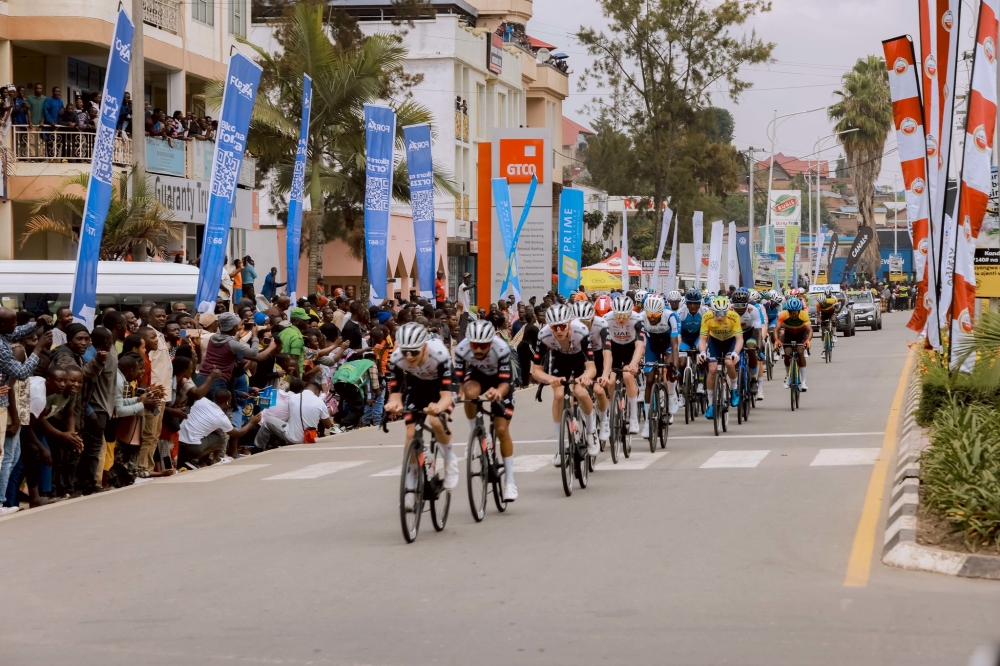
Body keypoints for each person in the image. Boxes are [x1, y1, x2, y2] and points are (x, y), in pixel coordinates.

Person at [384, 322, 458, 502]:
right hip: (417, 386)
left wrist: (438, 407)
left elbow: (446, 396)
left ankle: (450, 461)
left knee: (436, 422)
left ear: (424, 347)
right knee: (410, 434)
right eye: (405, 352)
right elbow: (395, 393)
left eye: (415, 352)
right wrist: (393, 404)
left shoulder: (439, 354)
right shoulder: (396, 358)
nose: (409, 357)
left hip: (441, 386)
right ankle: (411, 481)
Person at [455, 319, 518, 501]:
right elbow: (459, 380)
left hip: (500, 380)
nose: (479, 349)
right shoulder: (462, 349)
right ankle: (476, 433)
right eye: (475, 345)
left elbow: (506, 382)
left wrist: (498, 392)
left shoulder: (501, 348)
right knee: (469, 393)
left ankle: (510, 483)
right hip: (477, 375)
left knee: (501, 429)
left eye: (484, 345)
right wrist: (456, 395)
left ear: (491, 341)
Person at [531, 303, 598, 465]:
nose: (559, 330)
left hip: (578, 360)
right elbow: (536, 371)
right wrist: (549, 379)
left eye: (562, 326)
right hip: (559, 360)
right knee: (559, 394)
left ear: (569, 323)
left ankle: (591, 432)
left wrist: (586, 378)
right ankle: (561, 446)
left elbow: (591, 367)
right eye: (555, 327)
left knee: (581, 392)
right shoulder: (543, 335)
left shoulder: (581, 331)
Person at [197, 312, 277, 394]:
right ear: (234, 327)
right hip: (216, 381)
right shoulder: (231, 344)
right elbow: (255, 355)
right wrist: (256, 337)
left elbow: (229, 343)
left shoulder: (213, 338)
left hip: (201, 378)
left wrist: (238, 334)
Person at [178, 390, 261, 467]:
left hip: (178, 439)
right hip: (191, 447)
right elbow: (237, 434)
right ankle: (196, 459)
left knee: (215, 433)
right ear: (227, 402)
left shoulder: (202, 400)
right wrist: (251, 423)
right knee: (219, 439)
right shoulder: (221, 417)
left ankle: (202, 460)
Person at [639, 294, 680, 436]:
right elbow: (640, 343)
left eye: (656, 314)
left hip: (668, 343)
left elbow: (675, 345)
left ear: (662, 311)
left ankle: (672, 393)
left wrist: (675, 364)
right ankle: (648, 422)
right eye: (649, 314)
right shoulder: (641, 317)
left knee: (669, 366)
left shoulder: (671, 317)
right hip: (652, 345)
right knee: (649, 378)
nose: (652, 317)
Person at [604, 295, 645, 434]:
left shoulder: (637, 318)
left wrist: (634, 363)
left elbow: (640, 344)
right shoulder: (607, 319)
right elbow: (605, 348)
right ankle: (611, 411)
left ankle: (633, 417)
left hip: (630, 348)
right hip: (614, 348)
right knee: (610, 380)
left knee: (628, 376)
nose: (621, 319)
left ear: (630, 312)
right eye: (618, 315)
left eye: (625, 316)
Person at [697, 296, 744, 419]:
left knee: (729, 363)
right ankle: (711, 405)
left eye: (723, 313)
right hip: (715, 342)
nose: (719, 316)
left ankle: (734, 389)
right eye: (717, 313)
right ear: (712, 311)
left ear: (727, 311)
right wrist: (702, 352)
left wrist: (735, 352)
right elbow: (702, 339)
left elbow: (739, 339)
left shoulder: (734, 317)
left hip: (730, 341)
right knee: (712, 369)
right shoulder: (706, 317)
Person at [255, 380, 332, 448]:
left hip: (292, 438)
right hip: (310, 438)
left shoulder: (293, 398)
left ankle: (258, 448)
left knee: (268, 421)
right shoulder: (320, 402)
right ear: (317, 392)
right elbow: (327, 426)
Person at [730, 288, 763, 400]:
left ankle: (753, 379)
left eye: (742, 305)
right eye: (737, 306)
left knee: (751, 348)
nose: (739, 309)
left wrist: (759, 346)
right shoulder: (729, 310)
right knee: (731, 354)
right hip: (734, 333)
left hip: (750, 332)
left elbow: (758, 332)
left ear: (747, 303)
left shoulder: (753, 310)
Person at [774, 296, 811, 392]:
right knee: (787, 353)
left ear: (799, 311)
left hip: (801, 334)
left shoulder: (804, 315)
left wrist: (808, 340)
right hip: (789, 334)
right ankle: (787, 375)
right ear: (788, 311)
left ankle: (803, 381)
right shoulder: (783, 314)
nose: (793, 314)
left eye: (795, 312)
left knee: (800, 351)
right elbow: (776, 329)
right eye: (791, 312)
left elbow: (810, 330)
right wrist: (777, 340)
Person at [331, 355, 377, 431]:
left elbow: (361, 389)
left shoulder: (351, 364)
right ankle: (341, 425)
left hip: (338, 384)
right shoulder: (371, 363)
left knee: (351, 405)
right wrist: (378, 393)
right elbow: (375, 384)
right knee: (358, 410)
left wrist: (365, 401)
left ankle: (349, 425)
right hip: (349, 385)